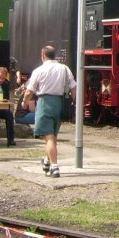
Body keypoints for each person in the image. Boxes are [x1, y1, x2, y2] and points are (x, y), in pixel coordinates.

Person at [25, 46, 76, 178]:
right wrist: (72, 102)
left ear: (43, 55)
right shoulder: (64, 69)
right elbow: (73, 87)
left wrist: (25, 101)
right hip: (60, 103)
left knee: (48, 137)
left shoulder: (39, 70)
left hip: (45, 102)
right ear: (54, 55)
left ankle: (54, 167)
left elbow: (30, 90)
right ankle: (47, 162)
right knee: (52, 136)